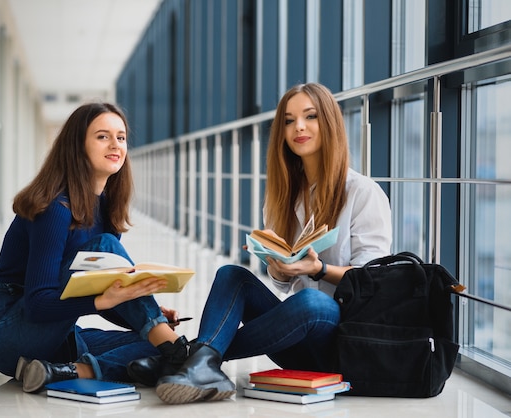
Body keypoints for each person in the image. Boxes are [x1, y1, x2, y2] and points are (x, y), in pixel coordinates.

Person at [130, 82, 393, 404]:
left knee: (315, 303)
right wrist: (280, 267)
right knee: (232, 274)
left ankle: (184, 358)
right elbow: (283, 286)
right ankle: (200, 361)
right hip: (293, 341)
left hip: (342, 342)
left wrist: (319, 269)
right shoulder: (283, 197)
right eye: (288, 120)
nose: (299, 127)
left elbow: (374, 282)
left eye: (310, 116)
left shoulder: (362, 192)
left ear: (330, 123)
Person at [0, 102, 192, 394]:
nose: (115, 144)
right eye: (103, 136)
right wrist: (102, 303)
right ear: (78, 146)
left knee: (149, 345)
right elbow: (40, 304)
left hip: (57, 338)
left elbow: (100, 291)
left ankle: (61, 372)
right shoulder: (55, 207)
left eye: (121, 137)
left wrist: (140, 307)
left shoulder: (106, 210)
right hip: (9, 333)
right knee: (107, 247)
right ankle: (177, 350)